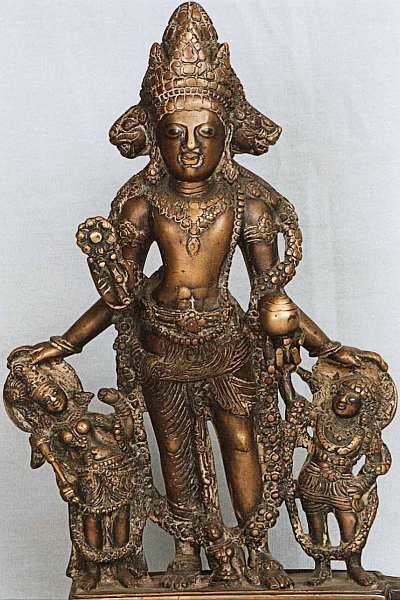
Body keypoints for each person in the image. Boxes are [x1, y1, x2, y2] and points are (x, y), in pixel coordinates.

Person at [10, 2, 386, 590]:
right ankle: (188, 547)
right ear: (156, 139)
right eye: (175, 133)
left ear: (227, 135)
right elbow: (120, 296)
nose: (190, 145)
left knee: (241, 438)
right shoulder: (143, 204)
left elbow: (272, 298)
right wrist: (65, 344)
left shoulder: (247, 204)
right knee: (173, 445)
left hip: (226, 341)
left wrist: (327, 347)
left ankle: (254, 544)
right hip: (161, 341)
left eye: (205, 132)